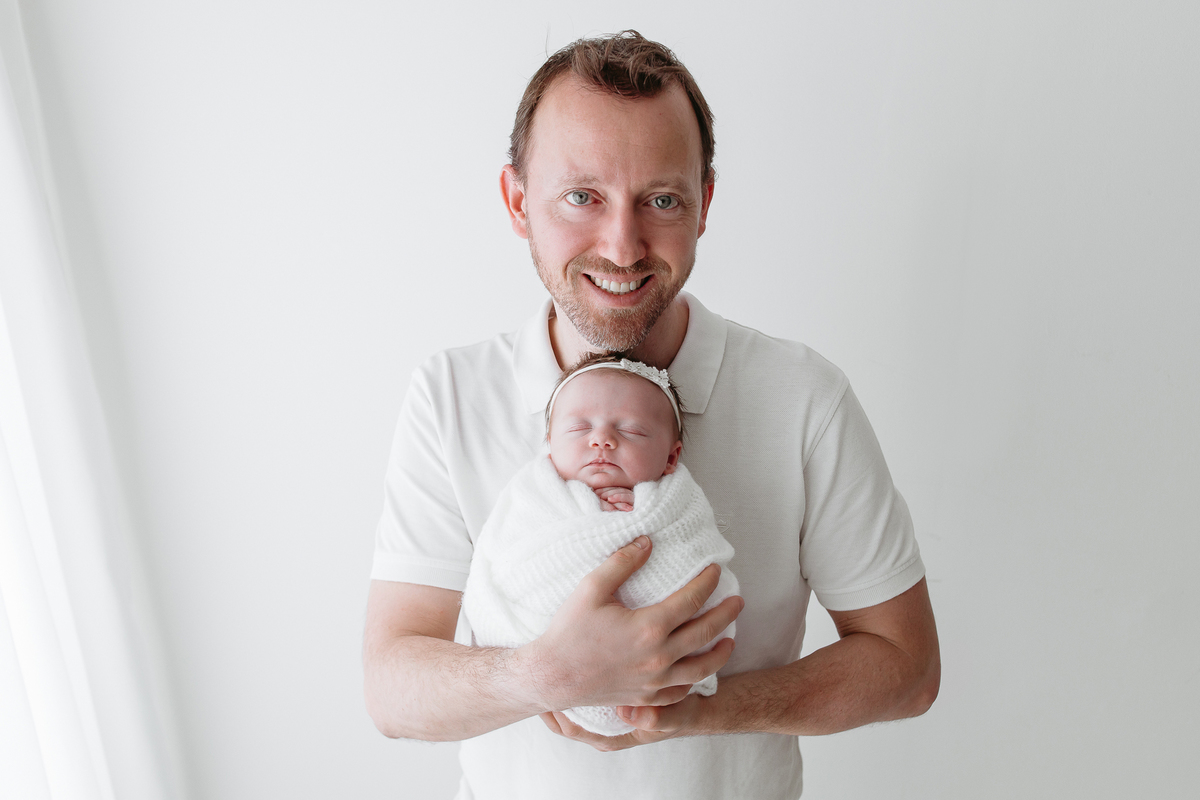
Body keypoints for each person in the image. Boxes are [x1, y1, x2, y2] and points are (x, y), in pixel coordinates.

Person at [363, 30, 940, 800]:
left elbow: (906, 667)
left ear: (704, 205)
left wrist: (698, 710)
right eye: (582, 196)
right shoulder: (450, 395)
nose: (623, 245)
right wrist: (546, 676)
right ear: (518, 202)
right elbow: (391, 688)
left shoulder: (803, 397)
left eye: (661, 200)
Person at [461, 353, 740, 737]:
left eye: (632, 431)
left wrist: (636, 520)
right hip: (534, 652)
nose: (602, 440)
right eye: (579, 428)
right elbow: (502, 563)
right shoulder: (531, 497)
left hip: (666, 677)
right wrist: (592, 514)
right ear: (549, 444)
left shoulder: (676, 505)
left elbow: (695, 558)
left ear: (671, 457)